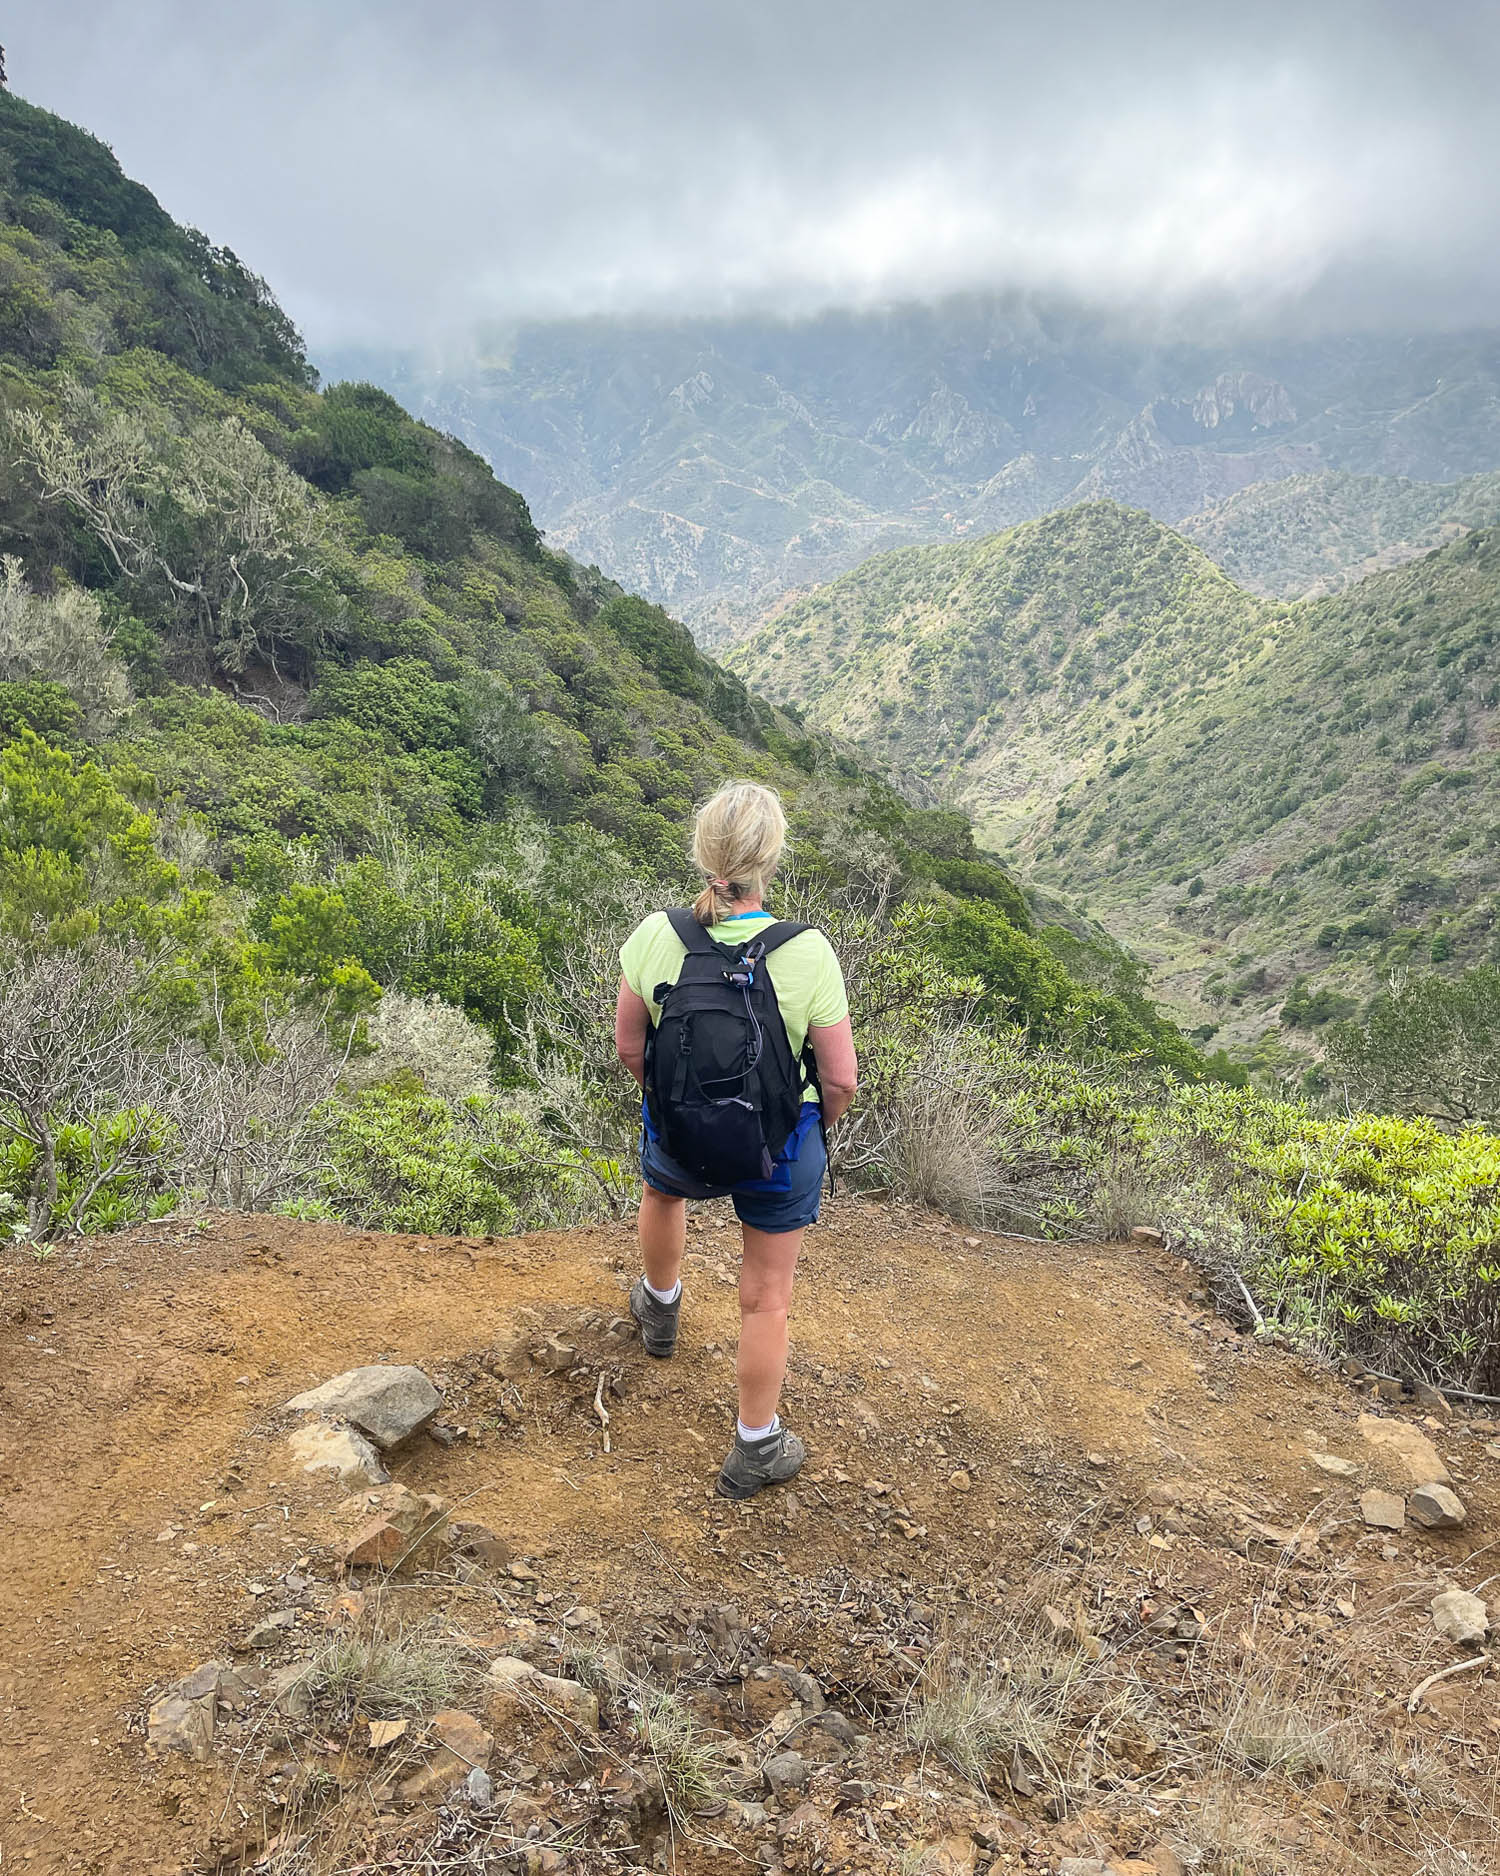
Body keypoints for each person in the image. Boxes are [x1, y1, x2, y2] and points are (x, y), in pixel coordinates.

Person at [614, 781, 858, 1499]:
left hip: (679, 1123)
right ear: (772, 860)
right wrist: (809, 1127)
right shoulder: (807, 952)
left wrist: (679, 1107)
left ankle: (659, 1305)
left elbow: (632, 1047)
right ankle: (756, 1445)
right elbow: (839, 1080)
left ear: (704, 856)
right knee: (765, 1296)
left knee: (662, 1190)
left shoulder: (656, 935)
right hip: (778, 1143)